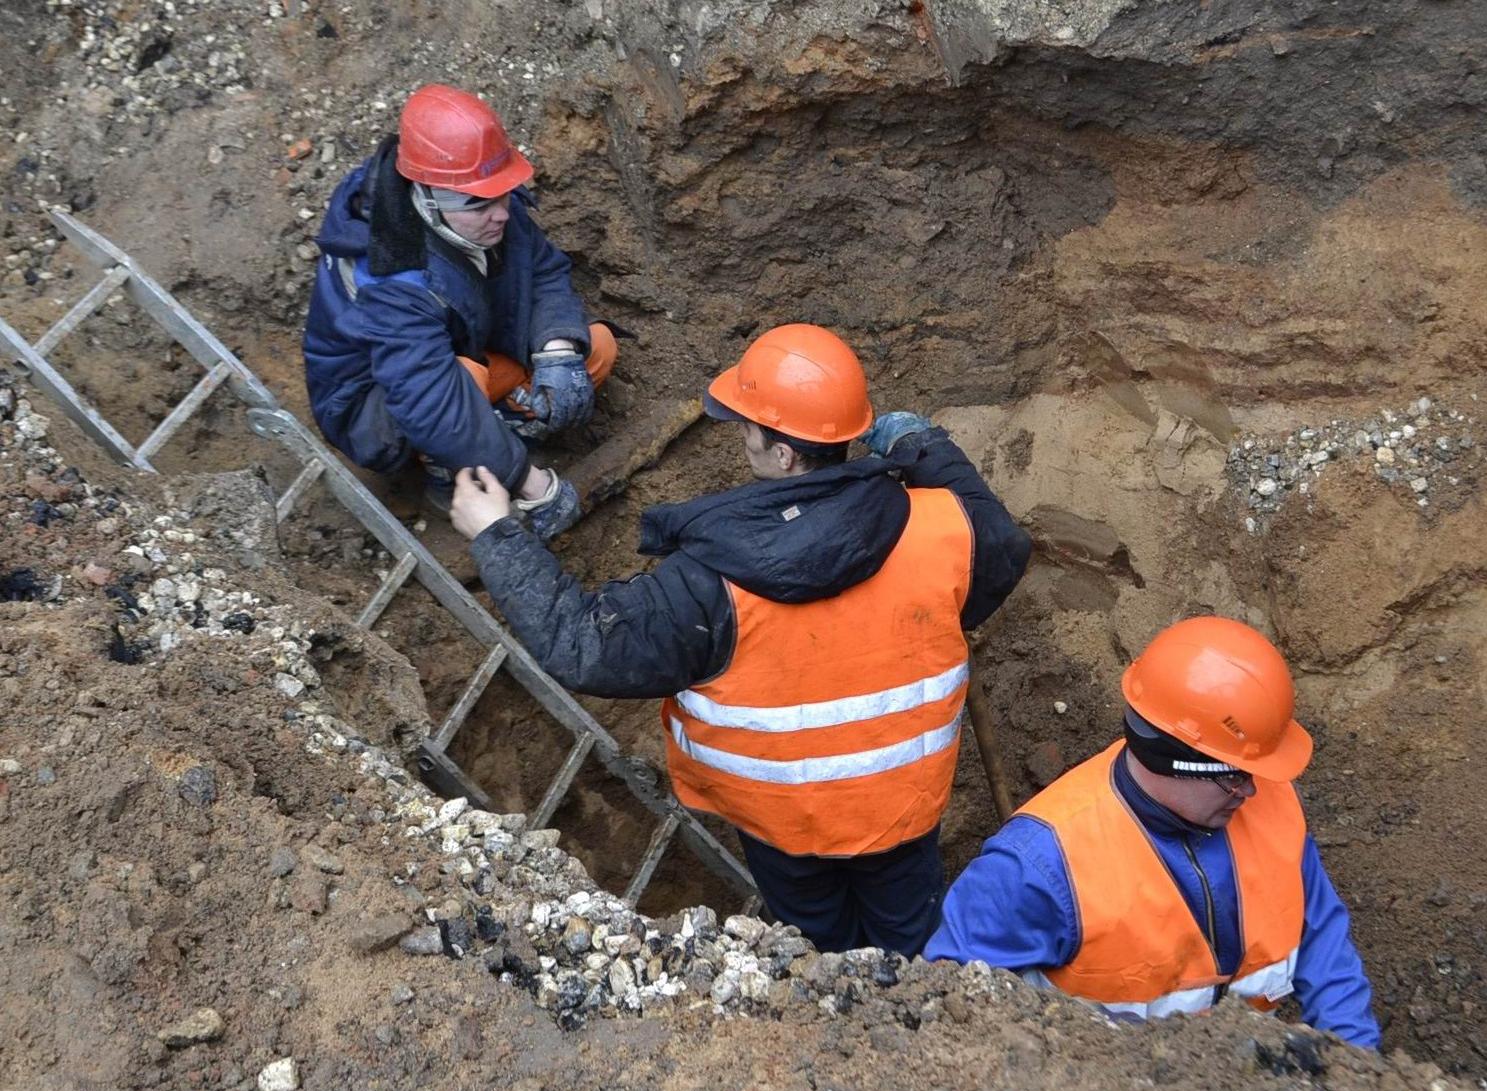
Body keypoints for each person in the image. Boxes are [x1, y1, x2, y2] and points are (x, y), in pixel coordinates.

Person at [449, 323, 1031, 956]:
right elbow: (1000, 543)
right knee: (912, 937)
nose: (743, 435)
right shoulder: (946, 528)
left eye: (749, 425)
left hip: (782, 827)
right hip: (901, 814)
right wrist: (926, 448)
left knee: (818, 942)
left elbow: (585, 644)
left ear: (783, 454)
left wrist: (497, 535)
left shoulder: (707, 587)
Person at [925, 616, 1381, 1048]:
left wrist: (1358, 1067)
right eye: (1233, 775)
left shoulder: (1272, 805)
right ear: (1171, 762)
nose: (1251, 789)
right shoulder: (1038, 865)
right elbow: (953, 1010)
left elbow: (1323, 943)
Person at [303, 83, 612, 538]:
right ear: (427, 197)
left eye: (505, 193)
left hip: (459, 342)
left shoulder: (480, 199)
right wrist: (531, 483)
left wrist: (557, 352)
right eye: (482, 203)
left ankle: (496, 431)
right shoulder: (387, 276)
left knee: (594, 351)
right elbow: (429, 402)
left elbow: (542, 270)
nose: (502, 213)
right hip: (376, 404)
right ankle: (449, 472)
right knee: (463, 379)